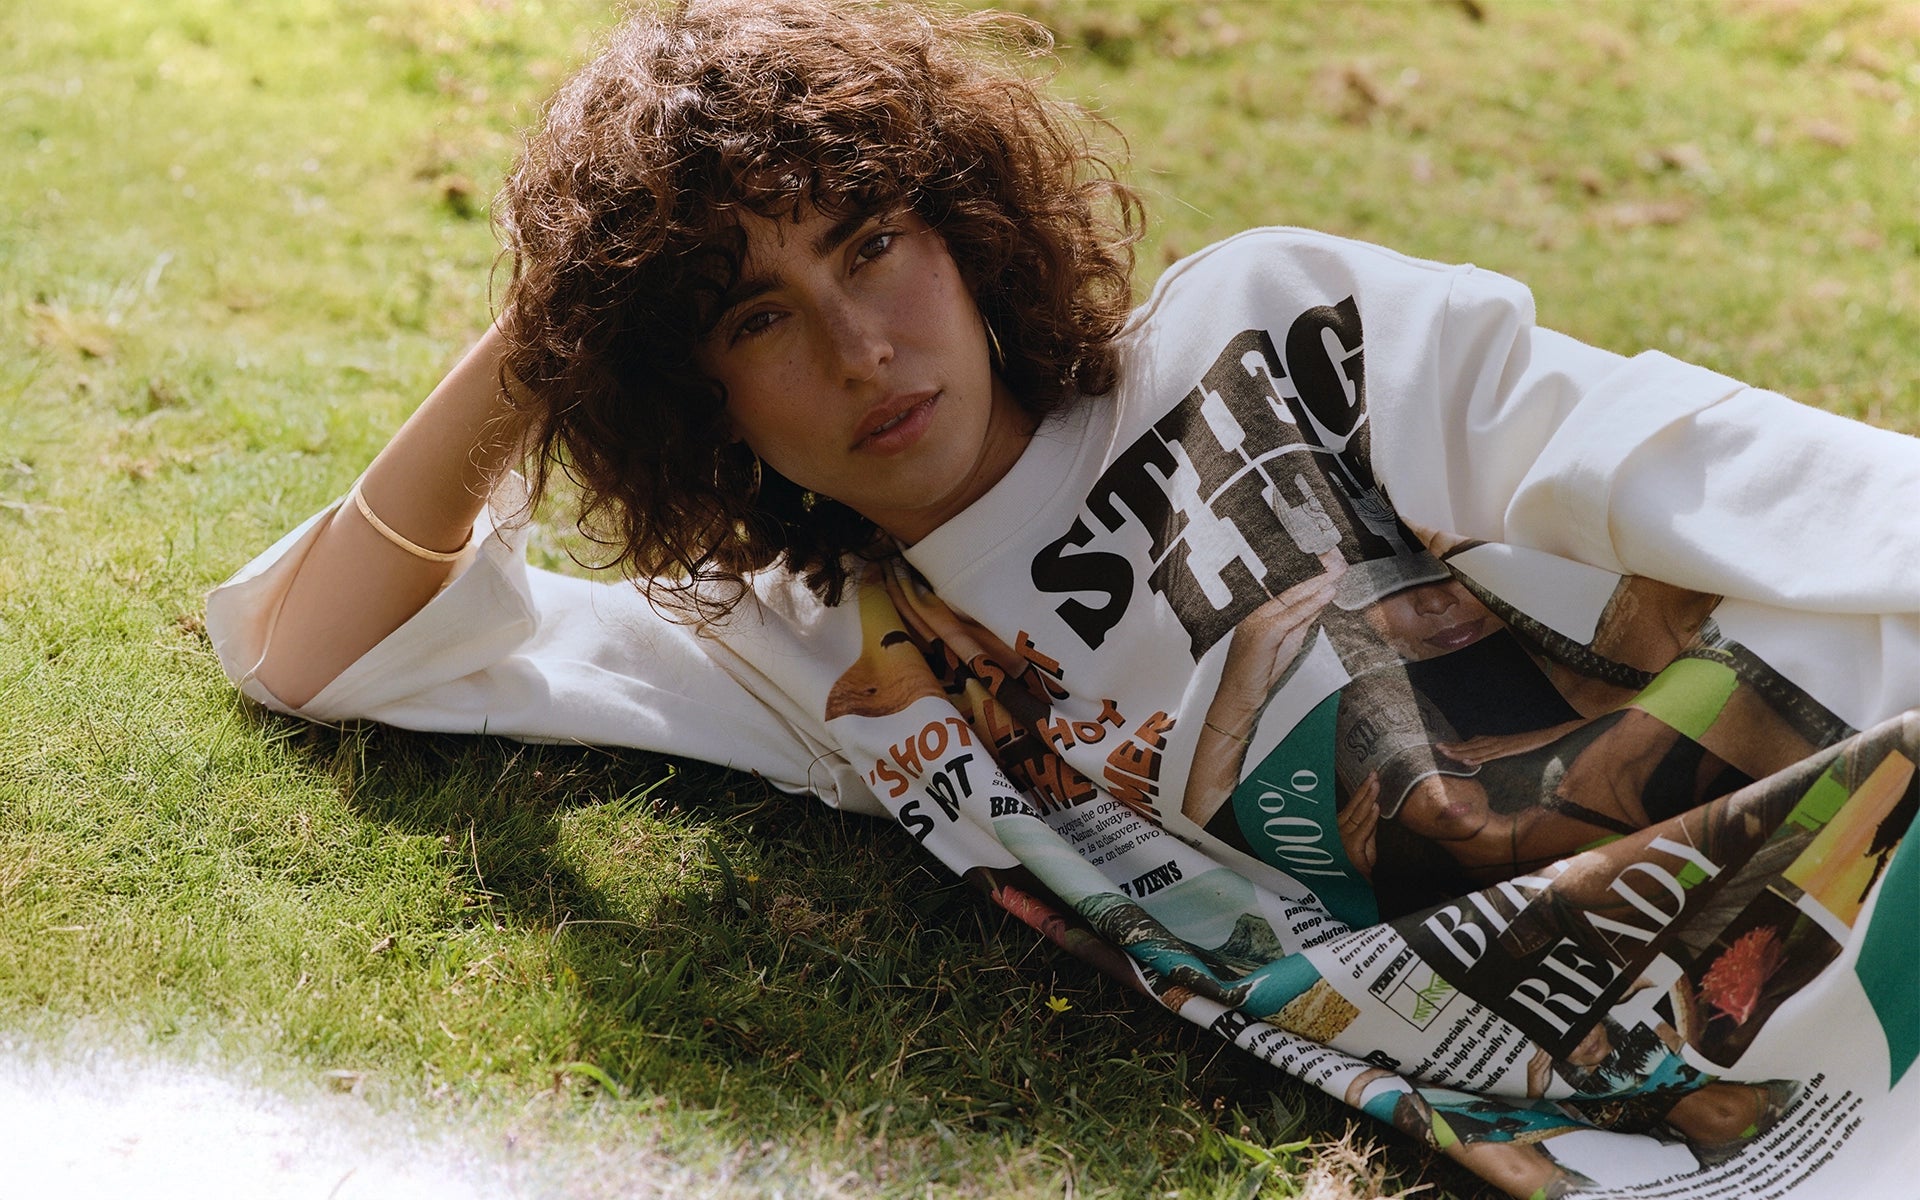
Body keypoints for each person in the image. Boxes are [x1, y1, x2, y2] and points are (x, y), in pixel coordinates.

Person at [206, 1, 1920, 1195]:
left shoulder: (1259, 332)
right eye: (755, 317)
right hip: (1722, 1047)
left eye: (871, 241)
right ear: (695, 396)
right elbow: (308, 652)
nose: (860, 348)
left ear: (961, 226)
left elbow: (1681, 454)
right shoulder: (816, 652)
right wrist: (555, 327)